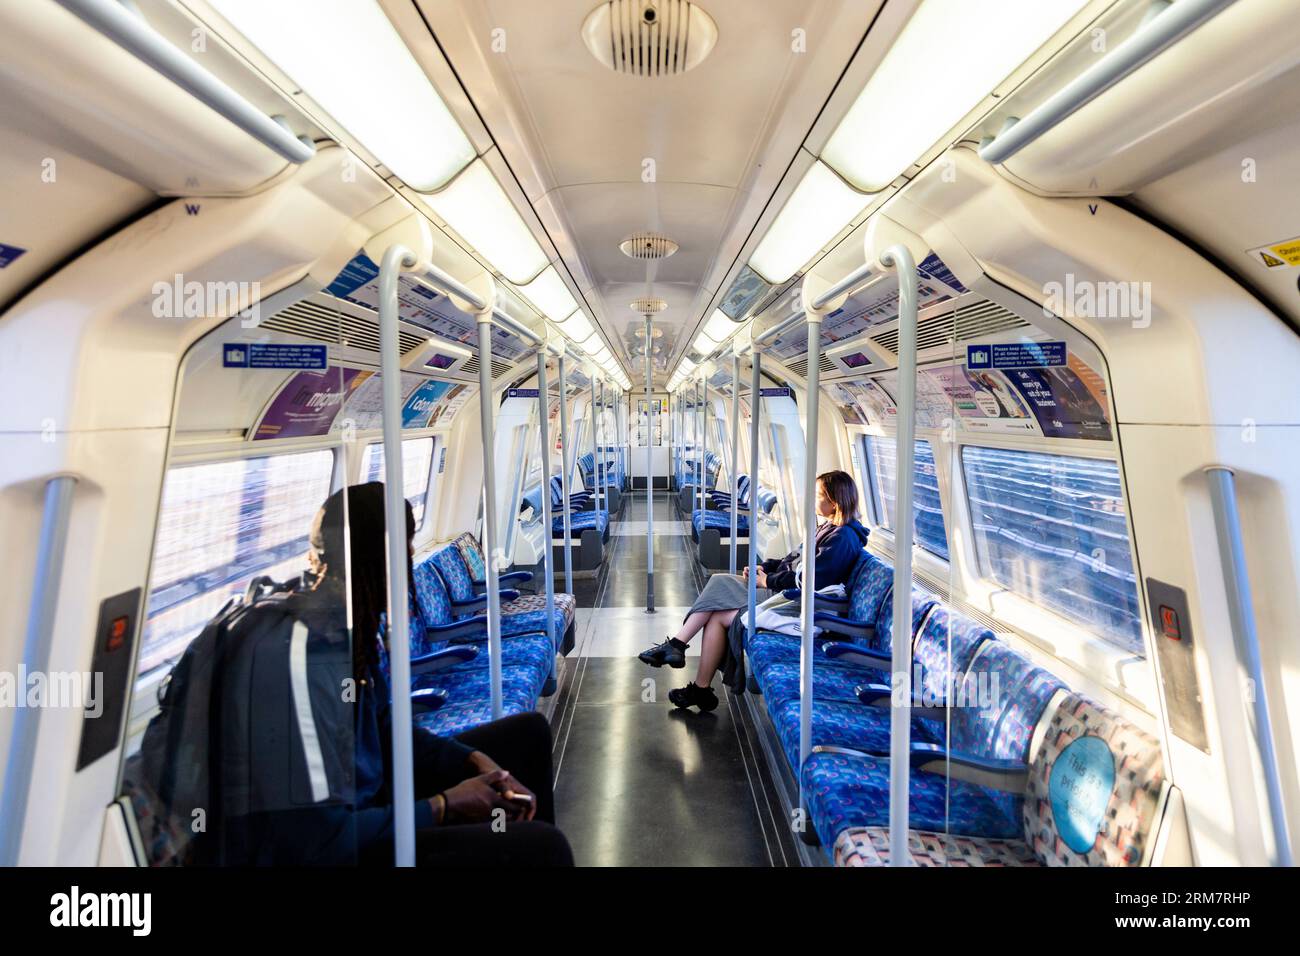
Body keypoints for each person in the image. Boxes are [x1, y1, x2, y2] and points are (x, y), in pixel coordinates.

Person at [216, 482, 573, 866]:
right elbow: (314, 836)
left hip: (367, 795)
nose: (408, 557)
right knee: (543, 848)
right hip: (335, 845)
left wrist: (470, 760)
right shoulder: (293, 658)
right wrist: (442, 806)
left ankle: (511, 828)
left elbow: (382, 727)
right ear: (367, 559)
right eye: (399, 545)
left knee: (526, 735)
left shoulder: (348, 631)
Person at [638, 470, 868, 712]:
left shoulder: (842, 538)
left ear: (835, 501)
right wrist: (765, 567)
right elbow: (793, 560)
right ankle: (689, 668)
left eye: (818, 494)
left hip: (796, 602)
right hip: (783, 588)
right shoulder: (828, 528)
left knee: (718, 607)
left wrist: (767, 580)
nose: (812, 499)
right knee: (718, 590)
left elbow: (812, 580)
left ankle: (682, 655)